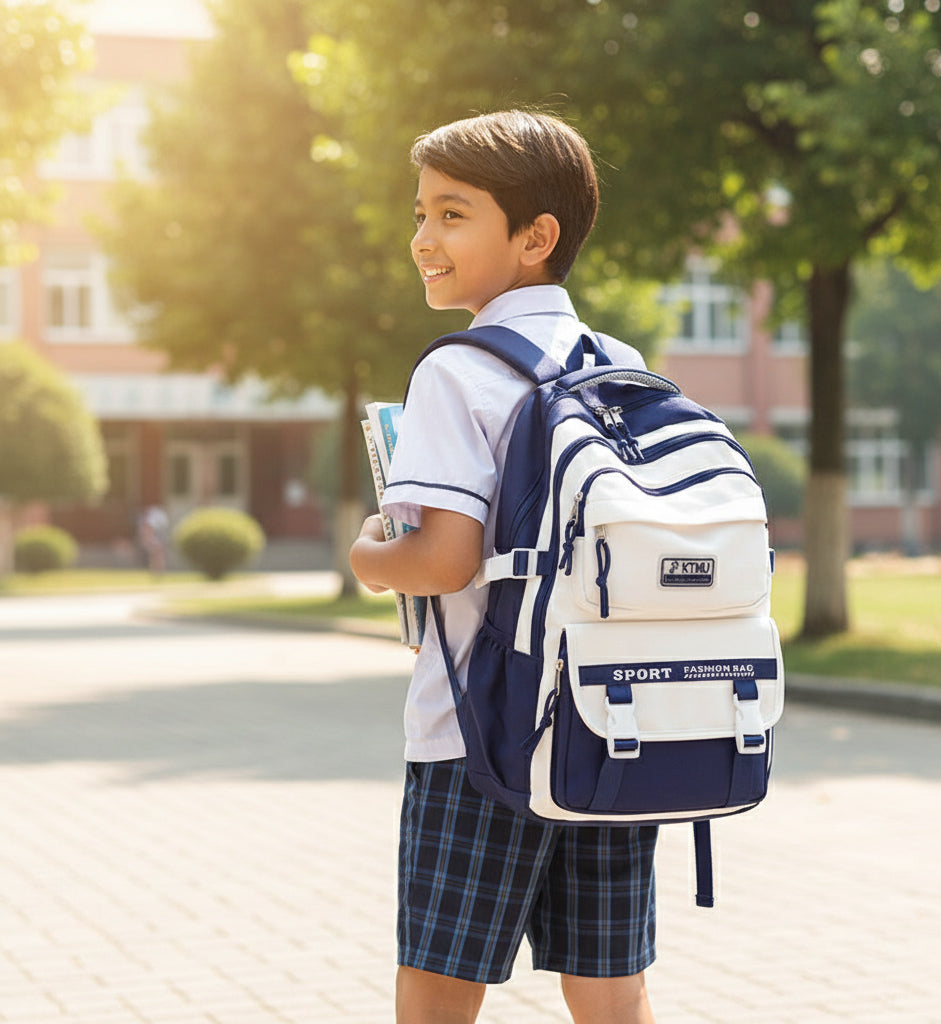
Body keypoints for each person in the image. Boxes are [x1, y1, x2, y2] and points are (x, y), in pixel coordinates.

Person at [350, 110, 658, 1024]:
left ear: (536, 237)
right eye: (420, 214)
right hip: (607, 717)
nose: (423, 239)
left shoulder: (457, 371)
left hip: (478, 736)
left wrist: (368, 555)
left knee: (438, 989)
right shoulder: (622, 363)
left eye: (453, 215)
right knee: (611, 988)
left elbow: (444, 562)